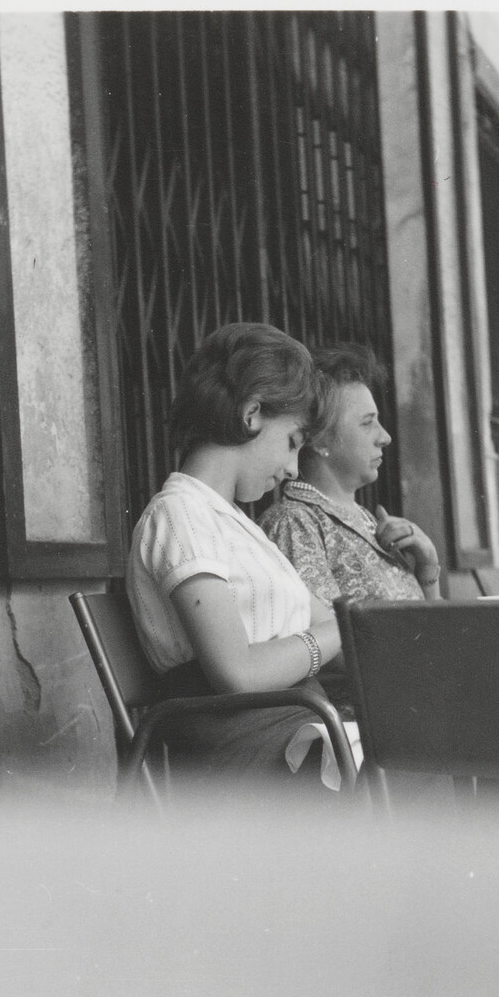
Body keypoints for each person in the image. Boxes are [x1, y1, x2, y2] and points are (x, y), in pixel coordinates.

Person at [126, 322, 348, 786]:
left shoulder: (235, 525)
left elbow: (331, 624)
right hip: (248, 752)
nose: (293, 469)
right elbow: (238, 673)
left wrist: (336, 633)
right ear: (251, 414)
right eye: (292, 442)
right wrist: (330, 636)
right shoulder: (180, 514)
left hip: (294, 731)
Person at [260, 344, 444, 606]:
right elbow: (328, 628)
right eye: (367, 423)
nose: (385, 437)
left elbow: (427, 624)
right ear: (320, 440)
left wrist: (428, 570)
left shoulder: (365, 518)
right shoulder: (295, 524)